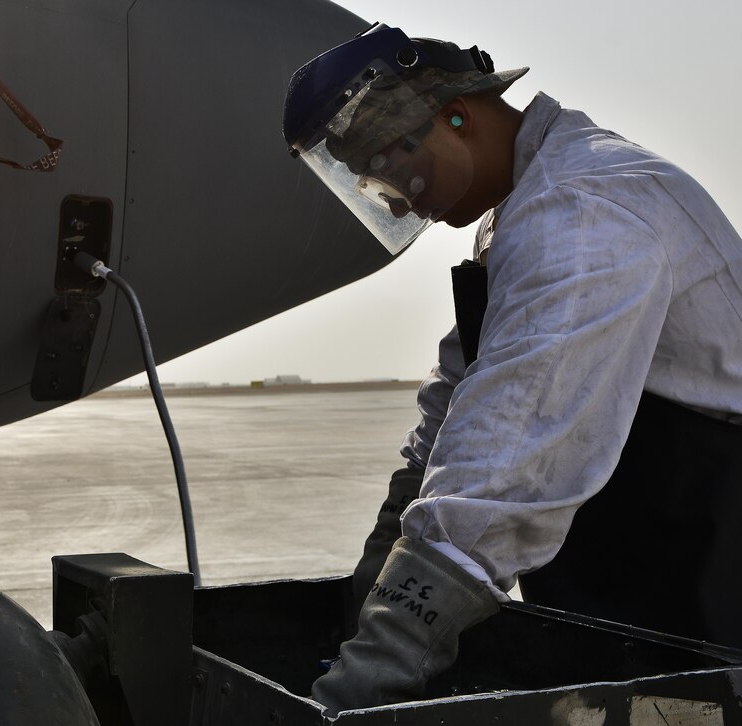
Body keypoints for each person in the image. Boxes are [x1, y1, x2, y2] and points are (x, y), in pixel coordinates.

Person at [282, 23, 742, 714]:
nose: (400, 201)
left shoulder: (584, 216)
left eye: (394, 168)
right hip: (640, 580)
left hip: (707, 583)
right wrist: (381, 563)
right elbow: (457, 405)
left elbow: (501, 464)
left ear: (456, 116)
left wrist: (375, 668)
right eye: (377, 189)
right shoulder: (524, 218)